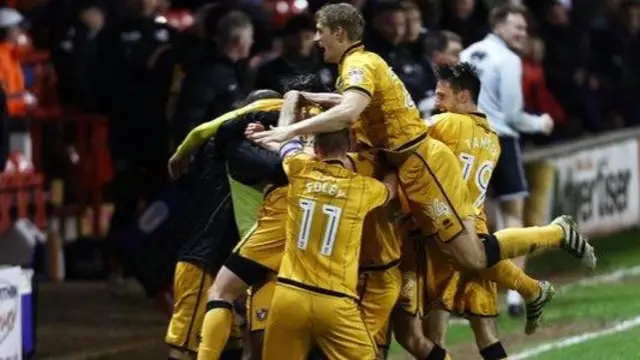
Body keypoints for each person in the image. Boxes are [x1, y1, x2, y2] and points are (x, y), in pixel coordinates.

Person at [249, 4, 595, 357]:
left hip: (421, 165)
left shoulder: (360, 65)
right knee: (429, 313)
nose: (317, 38)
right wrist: (308, 99)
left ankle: (555, 235)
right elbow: (355, 105)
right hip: (404, 164)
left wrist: (288, 129)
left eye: (321, 30)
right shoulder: (363, 64)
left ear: (339, 32)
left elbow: (351, 111)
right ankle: (529, 287)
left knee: (473, 258)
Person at [260, 125, 398, 360]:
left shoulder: (299, 169)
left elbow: (287, 147)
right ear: (348, 149)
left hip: (289, 294)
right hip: (335, 301)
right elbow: (390, 190)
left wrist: (269, 135)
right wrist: (392, 165)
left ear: (317, 150)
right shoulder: (362, 187)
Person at [165, 90, 283, 360]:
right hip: (202, 263)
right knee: (185, 348)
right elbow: (280, 168)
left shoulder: (228, 147)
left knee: (230, 347)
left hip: (223, 264)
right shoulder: (236, 149)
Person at [460, 3, 555, 315]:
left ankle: (464, 292)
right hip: (499, 138)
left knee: (471, 219)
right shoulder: (509, 60)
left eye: (525, 28)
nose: (522, 33)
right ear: (498, 25)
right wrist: (540, 123)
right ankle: (516, 294)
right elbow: (513, 115)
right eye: (517, 27)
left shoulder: (467, 53)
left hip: (465, 139)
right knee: (512, 215)